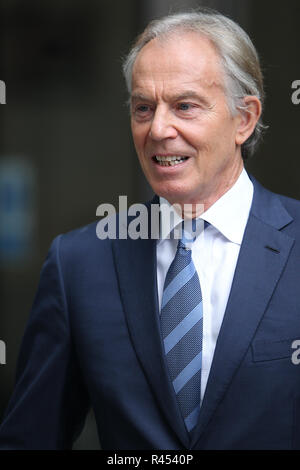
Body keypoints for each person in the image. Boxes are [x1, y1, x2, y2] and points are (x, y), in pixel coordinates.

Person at [1, 8, 300, 450]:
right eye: (143, 108)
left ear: (244, 119)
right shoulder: (80, 264)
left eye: (185, 106)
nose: (158, 129)